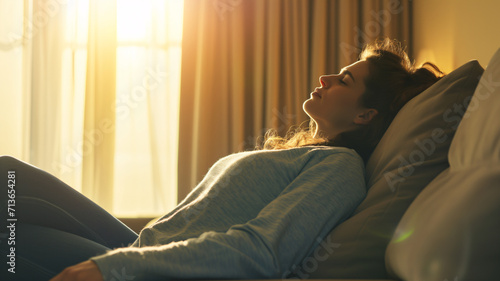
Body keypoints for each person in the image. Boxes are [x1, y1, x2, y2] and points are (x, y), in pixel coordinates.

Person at [0, 38, 443, 281]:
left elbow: (263, 251)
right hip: (139, 248)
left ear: (365, 114)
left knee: (9, 245)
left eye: (344, 80)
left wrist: (110, 268)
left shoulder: (338, 169)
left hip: (141, 266)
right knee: (9, 178)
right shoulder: (306, 153)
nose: (326, 77)